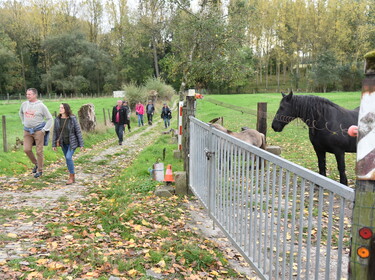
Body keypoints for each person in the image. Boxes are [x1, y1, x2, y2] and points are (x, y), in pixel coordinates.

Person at [19, 88, 53, 178]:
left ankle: (40, 170)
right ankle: (36, 164)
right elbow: (21, 113)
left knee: (39, 151)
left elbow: (50, 118)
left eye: (29, 94)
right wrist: (23, 122)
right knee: (27, 149)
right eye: (27, 94)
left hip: (38, 130)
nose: (27, 96)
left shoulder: (41, 106)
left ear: (35, 95)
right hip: (27, 130)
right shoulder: (24, 104)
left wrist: (44, 130)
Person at [52, 103, 84, 185]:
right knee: (67, 159)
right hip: (63, 143)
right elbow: (55, 132)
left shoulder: (72, 119)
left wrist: (81, 144)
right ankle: (72, 176)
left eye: (62, 108)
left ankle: (71, 176)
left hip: (72, 142)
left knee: (68, 157)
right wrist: (54, 144)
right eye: (60, 108)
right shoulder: (57, 119)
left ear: (66, 109)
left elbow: (78, 132)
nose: (60, 109)